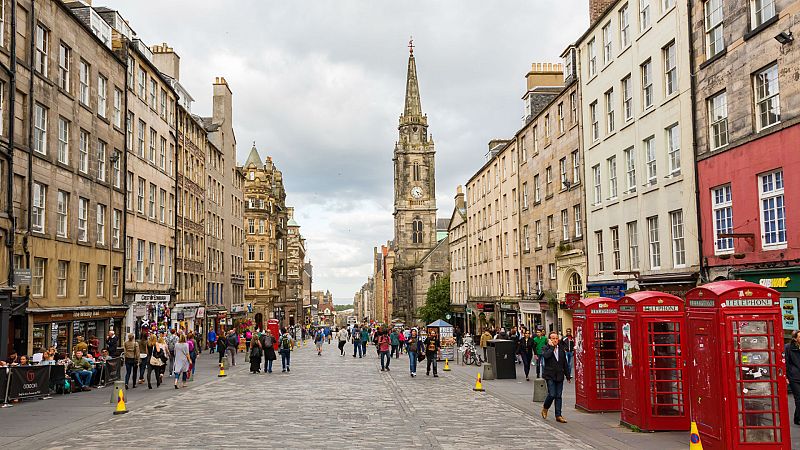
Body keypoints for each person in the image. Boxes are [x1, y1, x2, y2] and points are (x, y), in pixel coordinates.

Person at [541, 331, 570, 423]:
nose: (555, 340)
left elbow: (565, 363)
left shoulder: (561, 349)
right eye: (553, 338)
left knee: (558, 396)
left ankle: (558, 415)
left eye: (556, 338)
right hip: (550, 375)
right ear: (549, 339)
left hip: (559, 375)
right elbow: (546, 356)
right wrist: (552, 347)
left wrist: (568, 375)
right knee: (552, 394)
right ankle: (545, 408)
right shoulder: (546, 348)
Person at [785, 330, 800, 425]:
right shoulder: (788, 348)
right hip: (794, 377)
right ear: (795, 339)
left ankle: (797, 418)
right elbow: (785, 362)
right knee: (798, 398)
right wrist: (786, 376)